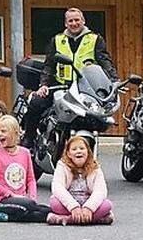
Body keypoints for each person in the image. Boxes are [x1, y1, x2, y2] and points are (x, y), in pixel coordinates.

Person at [21, 8, 117, 142]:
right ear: (66, 24)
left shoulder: (95, 39)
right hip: (60, 85)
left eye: (77, 20)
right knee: (36, 103)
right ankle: (28, 141)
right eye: (70, 21)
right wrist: (43, 85)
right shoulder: (58, 40)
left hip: (84, 88)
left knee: (95, 116)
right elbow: (49, 66)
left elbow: (105, 61)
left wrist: (114, 81)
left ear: (83, 21)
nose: (74, 23)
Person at [0, 116, 50, 223]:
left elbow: (31, 180)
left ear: (15, 133)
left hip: (23, 200)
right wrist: (10, 194)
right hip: (3, 200)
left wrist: (32, 197)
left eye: (3, 131)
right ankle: (5, 213)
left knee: (46, 210)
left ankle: (3, 217)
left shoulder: (25, 152)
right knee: (32, 208)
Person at [49, 136, 114, 226]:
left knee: (107, 205)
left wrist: (89, 208)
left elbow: (100, 190)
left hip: (88, 202)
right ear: (68, 153)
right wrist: (73, 207)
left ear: (88, 152)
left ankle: (68, 219)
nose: (78, 151)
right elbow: (57, 188)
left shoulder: (95, 167)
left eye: (82, 148)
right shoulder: (62, 166)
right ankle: (93, 219)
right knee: (54, 203)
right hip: (69, 203)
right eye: (74, 149)